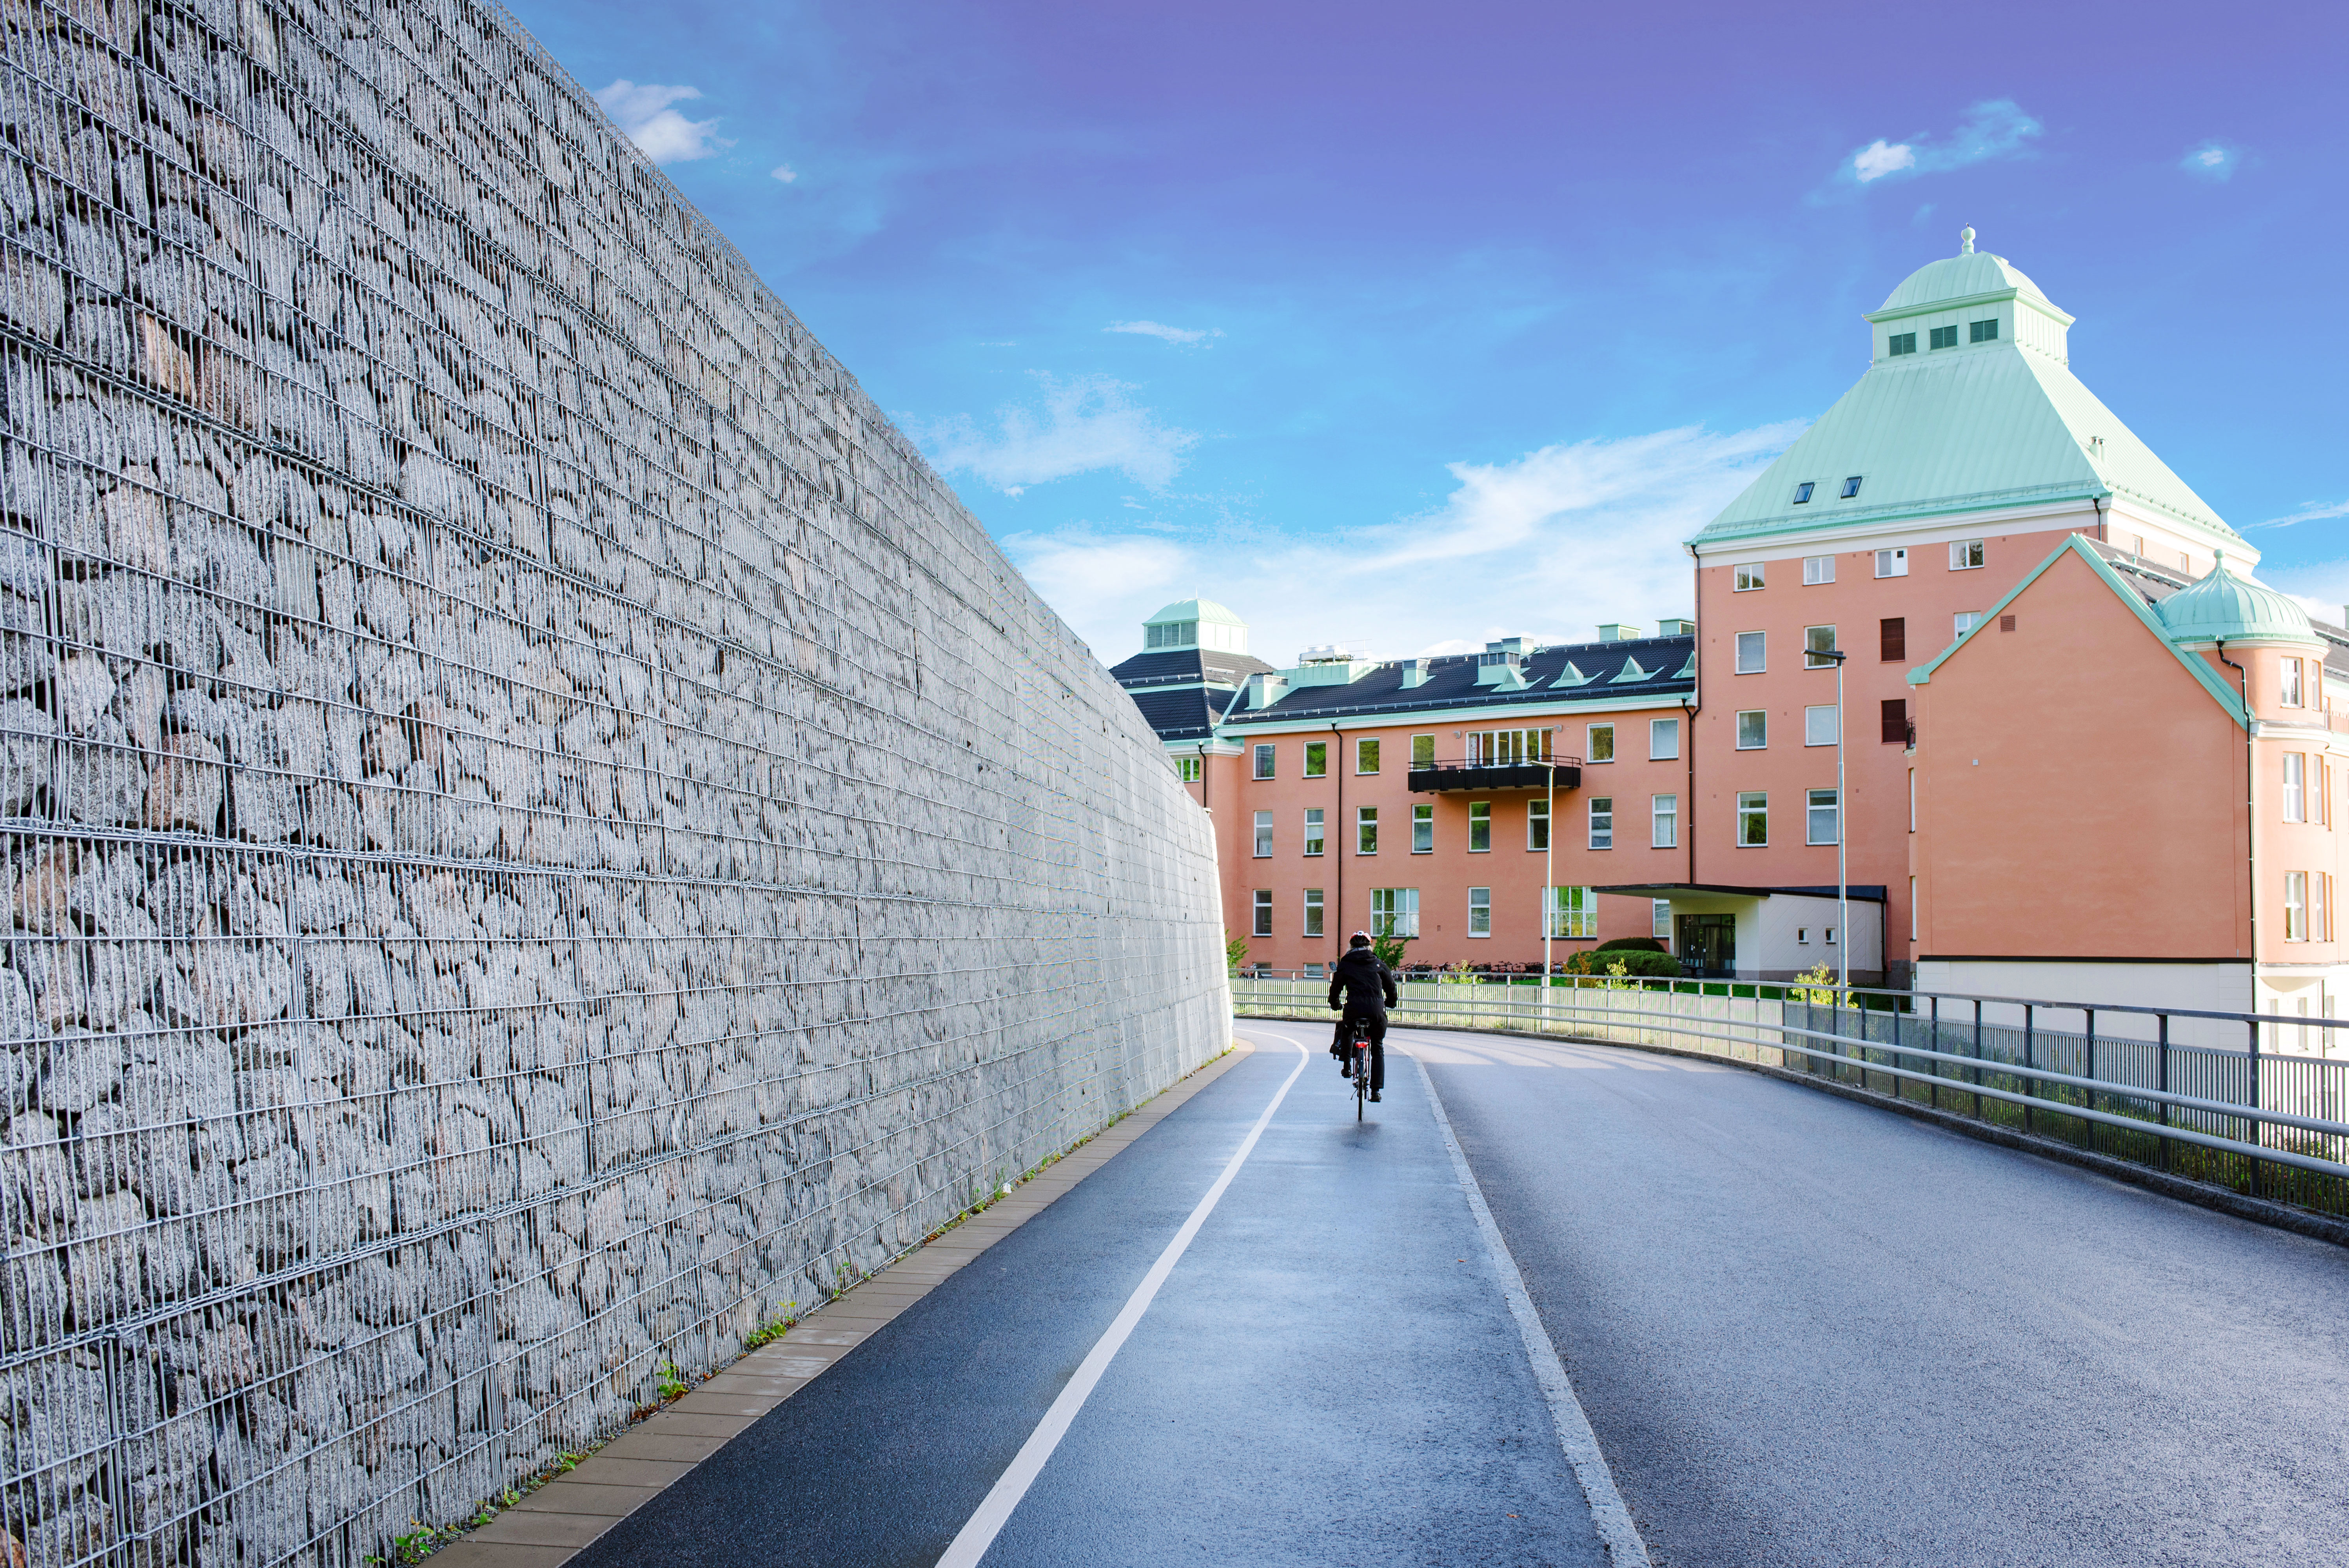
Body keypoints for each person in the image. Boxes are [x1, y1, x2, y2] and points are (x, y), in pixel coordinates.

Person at [1327, 931, 1398, 1101]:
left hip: (1353, 1010)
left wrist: (1336, 1005)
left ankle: (1346, 1066)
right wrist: (1390, 1003)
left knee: (1347, 1026)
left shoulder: (1346, 964)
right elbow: (1392, 988)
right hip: (1376, 1012)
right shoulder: (1378, 964)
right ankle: (1375, 1092)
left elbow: (1335, 990)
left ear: (1351, 947)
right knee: (1378, 1047)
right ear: (1369, 947)